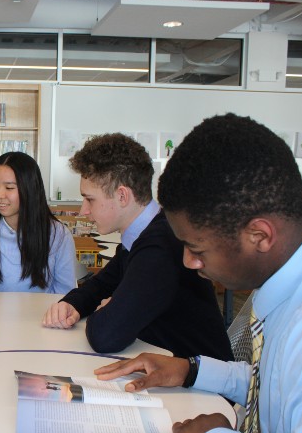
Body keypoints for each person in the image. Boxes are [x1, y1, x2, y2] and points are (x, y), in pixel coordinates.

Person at [95, 114, 302, 433]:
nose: (188, 262)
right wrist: (190, 370)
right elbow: (281, 386)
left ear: (260, 235)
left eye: (198, 248)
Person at [42, 133, 231, 360]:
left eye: (89, 199)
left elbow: (106, 336)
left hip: (202, 388)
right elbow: (101, 285)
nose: (84, 210)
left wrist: (106, 311)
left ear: (122, 196)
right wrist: (73, 304)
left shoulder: (158, 246)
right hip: (170, 367)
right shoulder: (144, 234)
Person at [0, 152, 76, 294]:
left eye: (9, 188)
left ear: (30, 189)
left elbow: (65, 293)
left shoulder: (59, 235)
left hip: (46, 315)